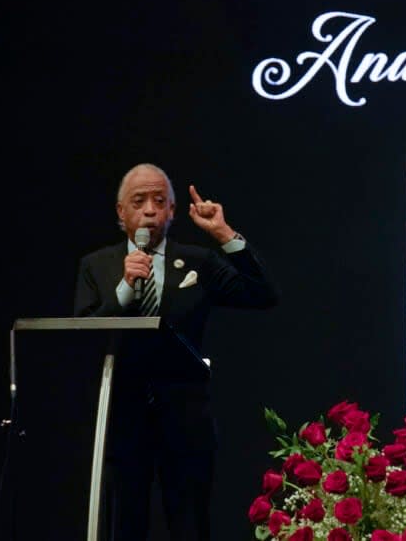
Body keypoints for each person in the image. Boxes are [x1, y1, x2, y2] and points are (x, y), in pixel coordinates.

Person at [74, 163, 279, 540]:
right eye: (139, 201)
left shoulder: (199, 261)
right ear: (122, 212)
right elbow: (83, 335)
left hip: (186, 416)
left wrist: (224, 233)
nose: (149, 210)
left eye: (159, 201)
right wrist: (123, 288)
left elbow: (263, 294)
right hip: (121, 414)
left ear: (172, 211)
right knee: (125, 522)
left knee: (189, 524)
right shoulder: (97, 265)